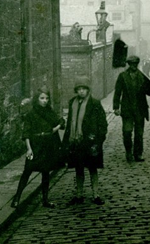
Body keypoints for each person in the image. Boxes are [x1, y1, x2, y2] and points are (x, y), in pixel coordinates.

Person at [11, 87, 65, 209]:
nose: (45, 101)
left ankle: (45, 200)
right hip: (35, 146)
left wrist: (55, 129)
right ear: (37, 99)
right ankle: (16, 198)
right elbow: (26, 133)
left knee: (46, 173)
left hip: (48, 146)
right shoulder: (31, 114)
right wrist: (29, 149)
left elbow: (61, 121)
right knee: (27, 171)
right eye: (42, 98)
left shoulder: (50, 112)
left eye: (47, 98)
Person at [62, 76, 108, 206]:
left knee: (93, 168)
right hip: (76, 142)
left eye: (84, 89)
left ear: (88, 90)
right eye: (79, 89)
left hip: (90, 142)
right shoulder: (72, 103)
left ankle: (96, 194)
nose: (81, 91)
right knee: (78, 169)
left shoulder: (94, 103)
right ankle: (79, 194)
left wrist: (99, 140)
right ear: (76, 90)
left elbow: (102, 123)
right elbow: (71, 120)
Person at [113, 55, 150, 162]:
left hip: (140, 110)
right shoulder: (122, 76)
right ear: (129, 64)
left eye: (135, 64)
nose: (134, 66)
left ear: (137, 64)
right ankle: (128, 152)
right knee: (127, 132)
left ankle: (138, 154)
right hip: (127, 110)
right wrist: (116, 107)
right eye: (131, 64)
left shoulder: (143, 77)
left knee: (139, 134)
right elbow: (117, 92)